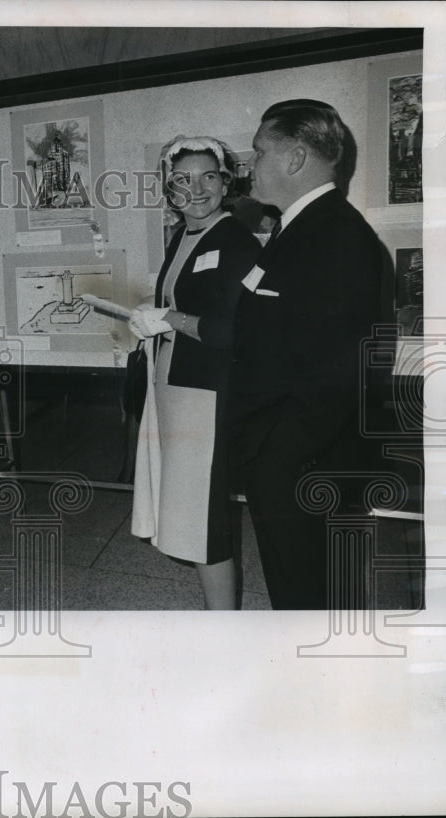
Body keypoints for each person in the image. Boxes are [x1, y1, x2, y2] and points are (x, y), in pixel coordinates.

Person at [227, 99, 385, 610]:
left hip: (300, 465)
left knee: (309, 596)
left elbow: (339, 373)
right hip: (288, 457)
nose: (249, 165)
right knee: (300, 590)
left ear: (295, 158)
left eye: (258, 152)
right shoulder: (298, 227)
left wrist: (278, 459)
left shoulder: (335, 236)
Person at [129, 136, 261, 610]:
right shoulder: (183, 236)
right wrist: (157, 311)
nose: (197, 188)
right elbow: (183, 301)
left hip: (208, 393)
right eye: (183, 179)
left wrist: (171, 319)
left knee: (205, 517)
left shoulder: (234, 238)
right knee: (189, 510)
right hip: (175, 386)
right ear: (169, 189)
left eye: (209, 176)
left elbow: (239, 330)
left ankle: (222, 627)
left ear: (227, 182)